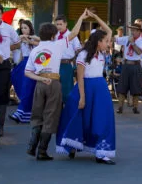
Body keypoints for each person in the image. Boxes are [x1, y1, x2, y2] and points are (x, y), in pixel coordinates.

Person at [24, 10, 88, 161]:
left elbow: (27, 72)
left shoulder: (36, 50)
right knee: (51, 114)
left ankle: (32, 144)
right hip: (53, 82)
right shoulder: (58, 45)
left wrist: (40, 78)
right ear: (53, 36)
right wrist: (81, 17)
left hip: (40, 82)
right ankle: (42, 151)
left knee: (37, 113)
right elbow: (74, 33)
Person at [56, 13, 116, 165]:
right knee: (80, 117)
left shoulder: (101, 53)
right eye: (105, 42)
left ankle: (101, 152)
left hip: (100, 89)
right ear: (98, 42)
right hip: (86, 88)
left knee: (102, 118)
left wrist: (96, 17)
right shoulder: (83, 55)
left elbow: (109, 30)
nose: (108, 44)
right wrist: (82, 97)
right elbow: (80, 77)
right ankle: (73, 146)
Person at [0, 4, 21, 137]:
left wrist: (8, 48)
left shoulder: (8, 29)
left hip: (4, 64)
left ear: (2, 15)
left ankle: (0, 126)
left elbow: (18, 43)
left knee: (2, 93)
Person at [10, 20, 40, 123]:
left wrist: (30, 41)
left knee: (28, 90)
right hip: (23, 64)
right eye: (22, 28)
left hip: (33, 66)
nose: (23, 30)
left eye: (26, 28)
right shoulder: (21, 39)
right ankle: (25, 114)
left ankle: (19, 113)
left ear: (30, 28)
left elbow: (42, 44)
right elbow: (21, 54)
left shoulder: (35, 38)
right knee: (24, 88)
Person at [115, 23, 142, 114]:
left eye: (134, 30)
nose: (132, 32)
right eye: (131, 30)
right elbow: (116, 39)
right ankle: (120, 107)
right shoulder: (126, 38)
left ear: (139, 31)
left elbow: (138, 52)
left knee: (136, 87)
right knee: (122, 86)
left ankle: (135, 107)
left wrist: (132, 42)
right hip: (126, 65)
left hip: (135, 65)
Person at [55, 15, 82, 103]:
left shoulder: (72, 36)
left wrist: (76, 62)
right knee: (55, 89)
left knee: (66, 89)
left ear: (65, 24)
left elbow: (78, 49)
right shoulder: (55, 35)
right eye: (57, 24)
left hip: (67, 64)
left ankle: (68, 109)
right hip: (55, 64)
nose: (58, 26)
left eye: (60, 24)